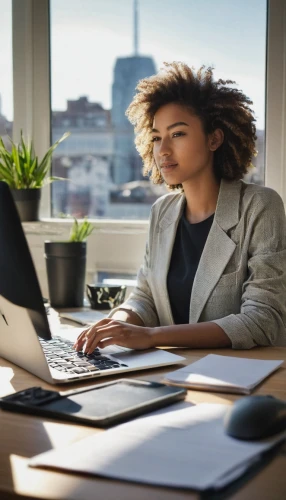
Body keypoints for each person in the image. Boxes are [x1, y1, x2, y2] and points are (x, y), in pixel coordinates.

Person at [74, 62, 286, 354]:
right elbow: (145, 297)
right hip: (172, 372)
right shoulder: (162, 211)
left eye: (178, 134)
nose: (163, 150)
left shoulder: (260, 206)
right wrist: (115, 324)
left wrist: (151, 336)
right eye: (157, 137)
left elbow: (263, 320)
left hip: (241, 381)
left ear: (214, 138)